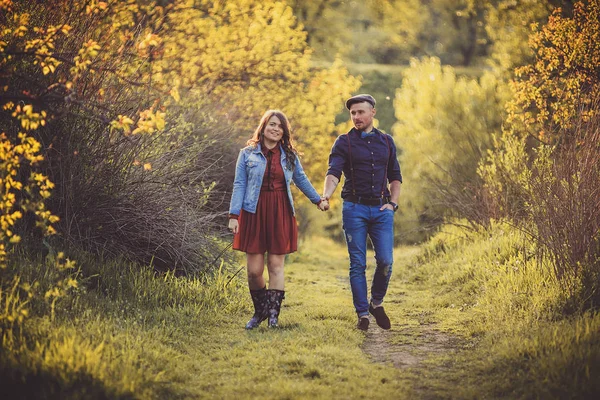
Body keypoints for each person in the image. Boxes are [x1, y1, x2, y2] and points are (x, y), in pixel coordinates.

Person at [228, 109, 328, 329]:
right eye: (272, 124)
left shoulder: (289, 156)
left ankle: (273, 316)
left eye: (280, 126)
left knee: (275, 265)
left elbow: (301, 180)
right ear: (263, 127)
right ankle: (260, 311)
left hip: (280, 211)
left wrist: (317, 200)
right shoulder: (247, 154)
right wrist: (234, 215)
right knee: (254, 271)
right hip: (252, 211)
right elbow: (239, 184)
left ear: (284, 132)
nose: (275, 129)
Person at [322, 94, 402, 331]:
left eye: (360, 112)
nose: (356, 117)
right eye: (353, 113)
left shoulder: (387, 142)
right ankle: (362, 315)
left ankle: (375, 303)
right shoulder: (343, 142)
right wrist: (326, 194)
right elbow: (333, 172)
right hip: (354, 208)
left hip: (381, 209)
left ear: (372, 112)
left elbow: (395, 176)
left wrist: (393, 204)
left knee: (386, 261)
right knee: (357, 263)